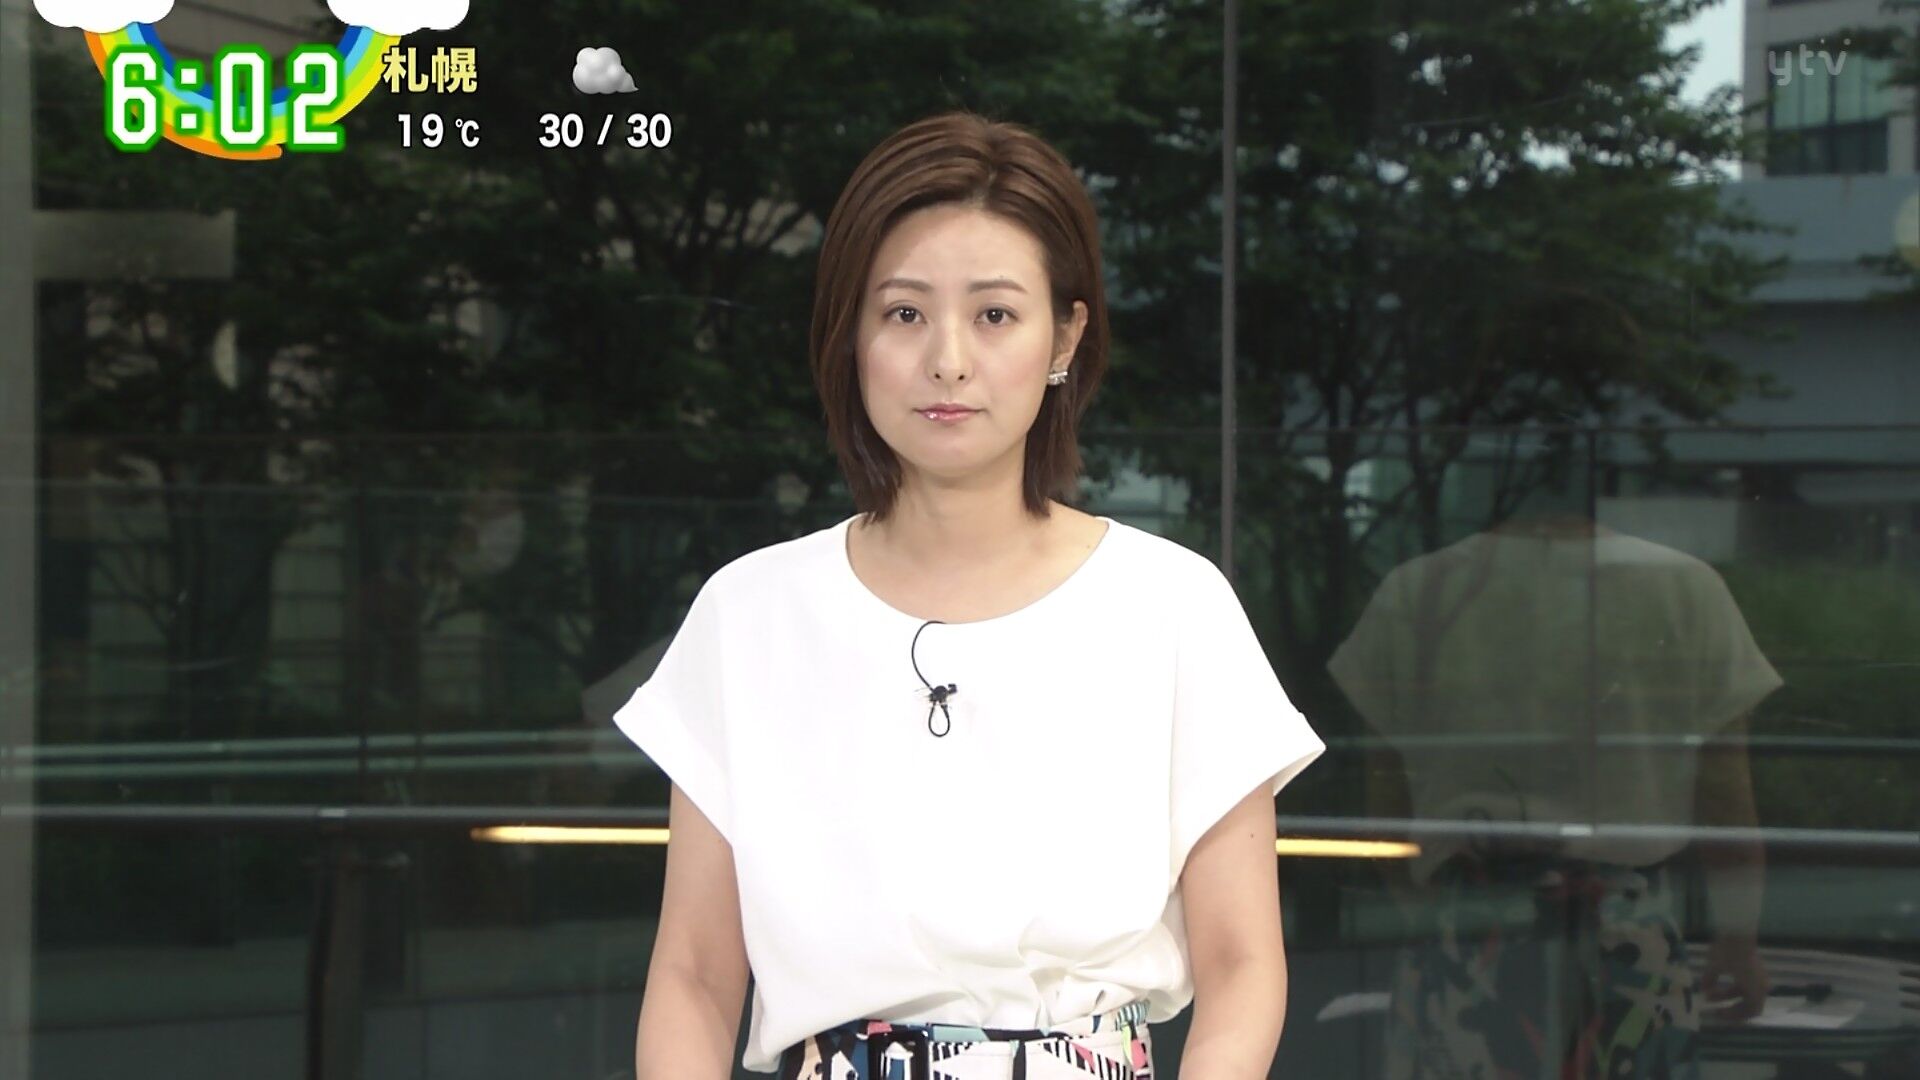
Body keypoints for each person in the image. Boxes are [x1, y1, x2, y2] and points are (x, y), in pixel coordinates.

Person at [614, 110, 1327, 1078]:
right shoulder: (750, 615)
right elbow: (694, 976)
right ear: (851, 334)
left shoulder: (1171, 605)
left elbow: (1243, 965)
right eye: (904, 313)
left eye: (994, 315)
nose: (947, 358)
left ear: (1065, 335)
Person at [1327, 508, 1780, 1079]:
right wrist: (1738, 940)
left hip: (1466, 933)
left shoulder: (1418, 591)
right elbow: (1725, 799)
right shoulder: (1686, 588)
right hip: (1629, 936)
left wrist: (1429, 915)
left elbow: (1386, 807)